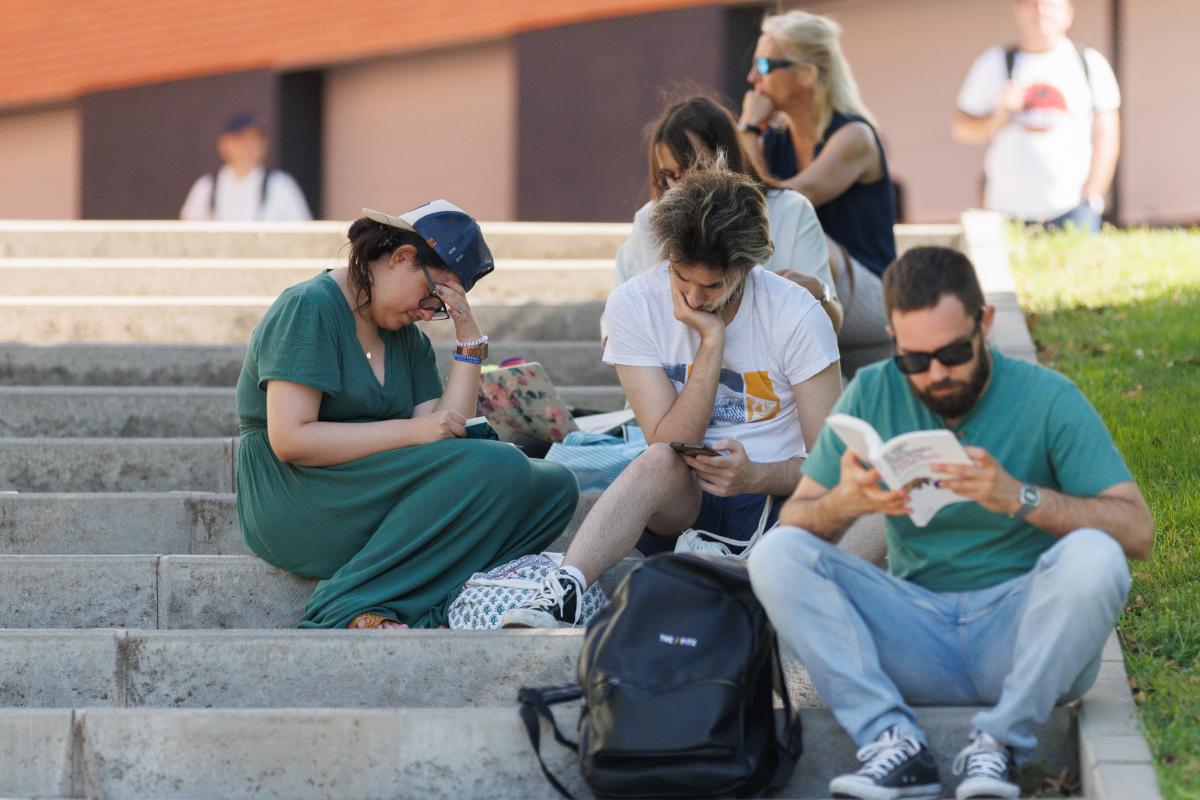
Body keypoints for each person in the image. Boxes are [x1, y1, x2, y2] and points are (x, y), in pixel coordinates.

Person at [748, 246, 1153, 800]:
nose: (936, 373)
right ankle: (893, 743)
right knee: (776, 554)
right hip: (915, 633)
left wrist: (1020, 497)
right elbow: (796, 524)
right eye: (915, 360)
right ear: (894, 341)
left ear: (985, 324)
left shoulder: (1049, 398)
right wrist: (846, 502)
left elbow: (1137, 532)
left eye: (955, 352)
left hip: (1022, 640)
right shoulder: (873, 391)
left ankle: (1002, 743)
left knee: (1098, 556)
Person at [501, 164, 842, 629]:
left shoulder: (797, 313)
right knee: (656, 459)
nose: (696, 299)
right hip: (683, 499)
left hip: (778, 499)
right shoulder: (633, 305)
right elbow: (669, 440)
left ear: (748, 266)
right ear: (667, 256)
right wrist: (712, 344)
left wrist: (756, 475)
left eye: (714, 286)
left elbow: (830, 465)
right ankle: (564, 590)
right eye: (683, 278)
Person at [234, 200, 579, 629]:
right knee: (502, 464)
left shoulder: (405, 337)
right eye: (434, 297)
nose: (428, 312)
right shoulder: (310, 307)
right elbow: (291, 441)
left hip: (375, 486)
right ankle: (344, 603)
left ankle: (427, 602)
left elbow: (445, 432)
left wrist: (469, 340)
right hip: (298, 495)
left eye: (443, 306)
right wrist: (413, 431)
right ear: (402, 258)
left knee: (555, 488)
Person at [737, 10, 896, 369]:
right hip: (813, 291)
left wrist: (746, 130)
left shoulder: (855, 136)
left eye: (763, 65)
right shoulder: (775, 140)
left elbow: (783, 204)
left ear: (807, 73)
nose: (751, 78)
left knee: (797, 228)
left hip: (872, 300)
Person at [616, 95, 843, 333]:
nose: (682, 185)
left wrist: (819, 293)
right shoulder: (650, 220)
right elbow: (615, 331)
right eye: (669, 175)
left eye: (696, 170)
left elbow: (832, 326)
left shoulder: (790, 210)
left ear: (727, 159)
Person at [952, 0, 1120, 232]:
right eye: (1032, 4)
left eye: (1049, 4)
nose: (1041, 11)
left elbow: (1108, 137)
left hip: (1073, 210)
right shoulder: (994, 62)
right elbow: (961, 129)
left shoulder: (1090, 63)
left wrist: (1093, 195)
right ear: (1018, 11)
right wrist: (999, 117)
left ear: (1068, 13)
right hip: (1005, 211)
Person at [180, 113, 313, 221]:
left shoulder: (281, 185)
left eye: (255, 139)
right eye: (240, 139)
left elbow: (303, 234)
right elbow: (188, 235)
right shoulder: (206, 186)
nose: (248, 147)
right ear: (224, 145)